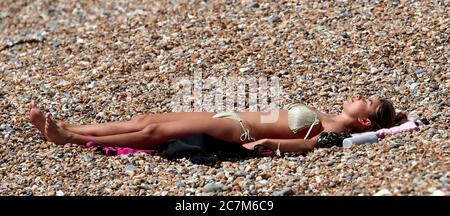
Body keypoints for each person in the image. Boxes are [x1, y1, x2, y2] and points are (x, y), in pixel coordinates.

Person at [29, 95, 402, 153]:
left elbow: (312, 146)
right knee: (147, 120)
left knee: (154, 133)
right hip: (232, 115)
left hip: (239, 130)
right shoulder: (325, 115)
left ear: (364, 118)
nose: (358, 94)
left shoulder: (332, 131)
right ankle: (74, 126)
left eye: (365, 100)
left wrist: (271, 146)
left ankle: (69, 138)